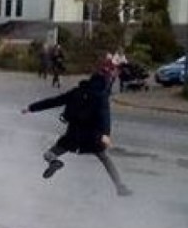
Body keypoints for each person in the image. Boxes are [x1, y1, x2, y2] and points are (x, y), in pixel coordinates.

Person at [22, 68, 132, 196]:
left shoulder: (76, 92)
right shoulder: (101, 97)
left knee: (49, 153)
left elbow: (54, 101)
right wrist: (105, 135)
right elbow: (104, 117)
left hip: (73, 135)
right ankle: (120, 186)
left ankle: (54, 162)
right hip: (93, 136)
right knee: (106, 159)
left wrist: (31, 108)